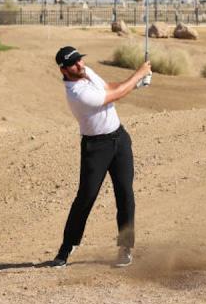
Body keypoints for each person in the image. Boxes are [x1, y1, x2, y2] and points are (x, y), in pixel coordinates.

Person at [50, 46, 151, 268]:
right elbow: (114, 95)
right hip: (96, 148)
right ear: (64, 70)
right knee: (85, 197)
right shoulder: (77, 94)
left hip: (119, 140)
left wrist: (136, 82)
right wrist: (139, 74)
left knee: (125, 194)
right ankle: (66, 248)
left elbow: (109, 87)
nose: (80, 65)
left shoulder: (87, 73)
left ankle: (125, 247)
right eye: (74, 64)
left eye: (80, 60)